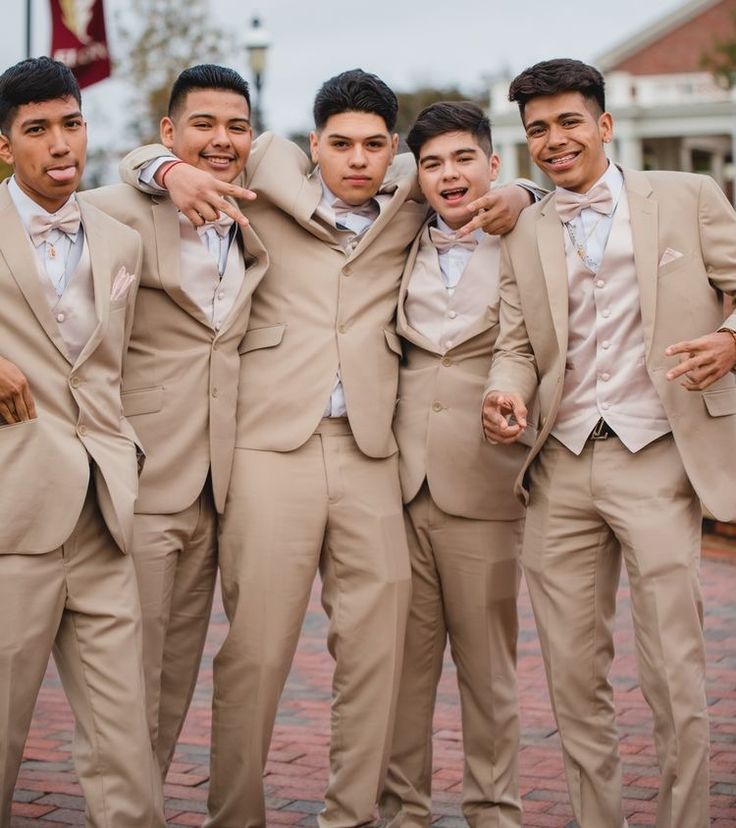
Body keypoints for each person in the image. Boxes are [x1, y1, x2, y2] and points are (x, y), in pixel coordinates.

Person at [120, 69, 533, 827]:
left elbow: (469, 172)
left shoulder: (411, 194)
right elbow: (148, 158)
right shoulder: (264, 174)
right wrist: (168, 165)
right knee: (257, 651)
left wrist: (526, 194)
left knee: (375, 655)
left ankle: (350, 817)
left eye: (374, 146)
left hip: (372, 452)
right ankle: (234, 816)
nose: (357, 160)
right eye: (340, 144)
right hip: (269, 447)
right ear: (313, 145)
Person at [482, 58, 736, 828]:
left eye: (568, 122)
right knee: (571, 670)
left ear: (604, 124)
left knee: (674, 668)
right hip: (557, 465)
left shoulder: (688, 196)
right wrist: (505, 390)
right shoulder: (525, 225)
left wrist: (730, 340)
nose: (554, 141)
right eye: (537, 130)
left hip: (656, 455)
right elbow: (517, 341)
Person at [80, 64, 269, 777]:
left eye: (237, 126)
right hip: (143, 476)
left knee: (172, 685)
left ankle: (144, 800)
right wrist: (162, 172)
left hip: (219, 491)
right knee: (127, 683)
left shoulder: (260, 202)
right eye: (204, 125)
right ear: (168, 132)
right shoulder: (116, 209)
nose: (222, 142)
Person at [0, 57, 163, 826]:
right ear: (6, 147)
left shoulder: (119, 240)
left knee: (123, 740)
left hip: (103, 512)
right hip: (11, 518)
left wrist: (125, 459)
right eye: (37, 129)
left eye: (70, 123)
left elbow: (110, 368)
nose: (60, 143)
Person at [378, 101, 534, 827]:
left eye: (464, 159)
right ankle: (402, 810)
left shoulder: (532, 238)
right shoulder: (398, 234)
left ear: (494, 167)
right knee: (400, 674)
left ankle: (493, 811)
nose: (449, 175)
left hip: (486, 479)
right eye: (433, 163)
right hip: (398, 484)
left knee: (488, 672)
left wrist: (529, 195)